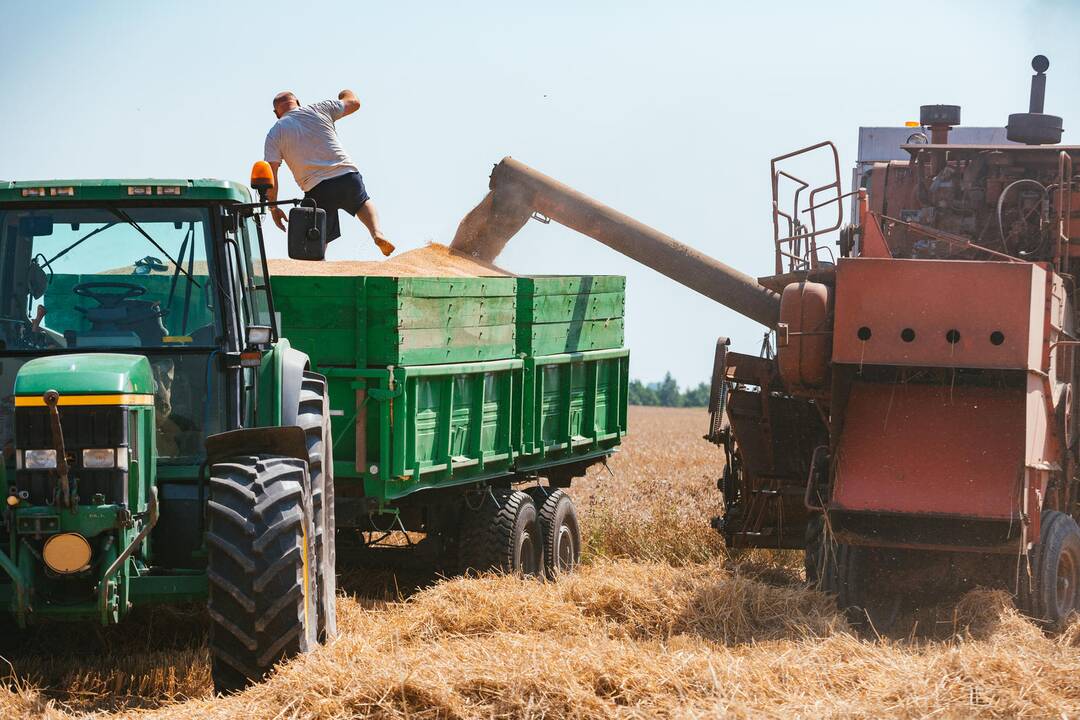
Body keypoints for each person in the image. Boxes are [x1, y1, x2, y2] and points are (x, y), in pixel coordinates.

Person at [263, 89, 394, 257]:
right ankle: (377, 233)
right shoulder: (320, 108)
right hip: (347, 175)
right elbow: (354, 103)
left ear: (276, 113)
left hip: (317, 188)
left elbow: (271, 174)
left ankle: (318, 264)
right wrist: (345, 93)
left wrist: (273, 208)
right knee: (362, 202)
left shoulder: (275, 133)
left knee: (315, 236)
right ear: (298, 102)